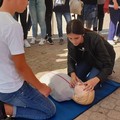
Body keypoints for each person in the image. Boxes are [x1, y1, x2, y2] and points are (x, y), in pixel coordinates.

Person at [0, 0, 56, 119]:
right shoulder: (12, 25)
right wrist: (41, 87)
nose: (27, 4)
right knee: (49, 110)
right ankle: (5, 109)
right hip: (11, 88)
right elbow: (21, 67)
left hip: (3, 85)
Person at [66, 19, 116, 90]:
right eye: (70, 38)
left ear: (82, 34)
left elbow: (108, 65)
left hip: (102, 60)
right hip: (88, 58)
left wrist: (97, 79)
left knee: (91, 85)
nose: (73, 41)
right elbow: (70, 59)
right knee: (76, 78)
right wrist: (72, 73)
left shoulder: (95, 39)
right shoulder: (71, 40)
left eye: (76, 38)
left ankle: (99, 76)